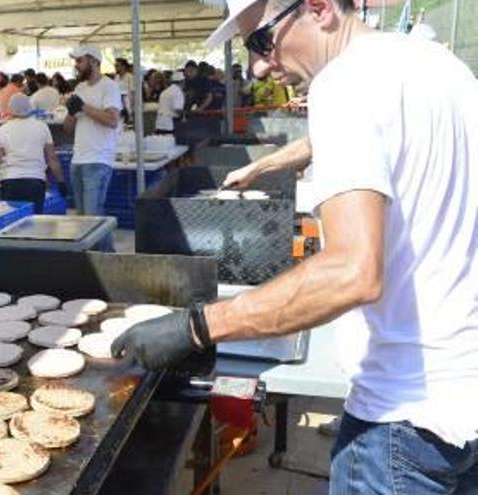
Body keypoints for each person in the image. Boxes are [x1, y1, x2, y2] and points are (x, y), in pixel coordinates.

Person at [111, 1, 478, 493]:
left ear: (319, 8)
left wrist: (196, 327)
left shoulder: (343, 84)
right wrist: (264, 166)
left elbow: (352, 271)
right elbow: (360, 135)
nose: (260, 65)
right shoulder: (437, 66)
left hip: (403, 417)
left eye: (261, 41)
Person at [64, 45, 121, 251]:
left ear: (94, 61)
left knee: (93, 216)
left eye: (80, 61)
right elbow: (68, 127)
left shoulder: (109, 86)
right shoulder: (80, 89)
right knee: (84, 218)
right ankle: (96, 259)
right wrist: (71, 112)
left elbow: (113, 120)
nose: (76, 65)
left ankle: (106, 259)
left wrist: (83, 107)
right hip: (78, 160)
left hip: (98, 160)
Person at [0, 94, 67, 214]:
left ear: (10, 109)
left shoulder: (1, 131)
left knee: (13, 222)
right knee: (35, 222)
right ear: (30, 108)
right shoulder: (42, 127)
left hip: (10, 182)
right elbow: (52, 158)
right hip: (35, 181)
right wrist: (61, 181)